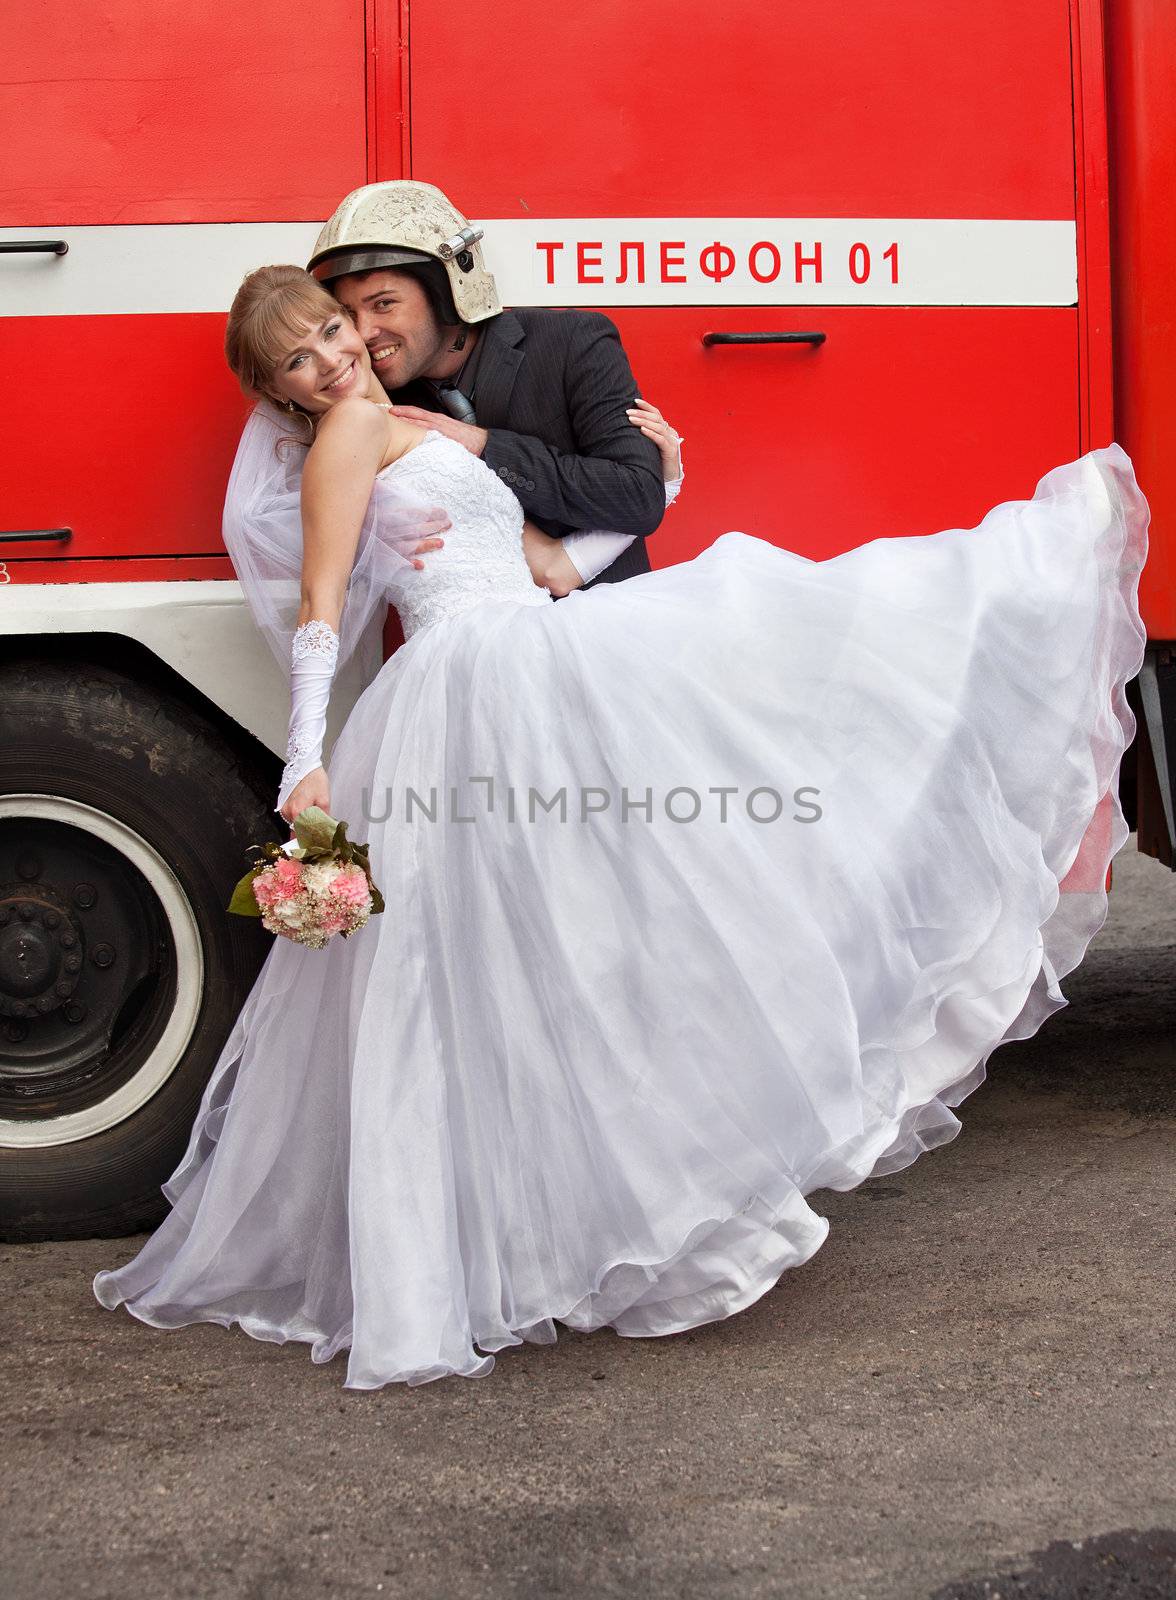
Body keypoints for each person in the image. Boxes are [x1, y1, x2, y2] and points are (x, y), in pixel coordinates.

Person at [93, 265, 1149, 1392]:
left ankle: (550, 1225)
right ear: (279, 390)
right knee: (509, 964)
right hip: (471, 693)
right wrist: (304, 757)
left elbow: (545, 566)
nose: (331, 356)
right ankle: (510, 1243)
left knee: (565, 953)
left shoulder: (413, 419)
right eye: (298, 357)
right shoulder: (349, 434)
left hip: (527, 657)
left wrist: (671, 478)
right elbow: (321, 604)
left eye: (329, 330)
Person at [305, 179, 665, 596]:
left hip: (601, 628)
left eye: (384, 303)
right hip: (468, 643)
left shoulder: (574, 341)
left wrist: (483, 444)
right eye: (349, 314)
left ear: (445, 291)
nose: (365, 332)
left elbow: (637, 497)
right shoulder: (376, 401)